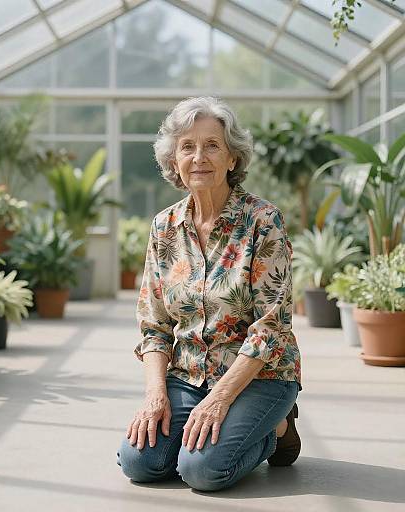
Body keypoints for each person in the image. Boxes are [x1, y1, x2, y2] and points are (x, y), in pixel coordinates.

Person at [116, 96, 302, 492]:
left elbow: (270, 328)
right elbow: (154, 324)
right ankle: (244, 427)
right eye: (188, 147)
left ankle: (277, 429)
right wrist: (155, 395)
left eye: (212, 145)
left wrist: (218, 399)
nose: (199, 157)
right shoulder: (163, 227)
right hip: (188, 374)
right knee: (140, 462)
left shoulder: (262, 221)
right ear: (174, 162)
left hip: (257, 375)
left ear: (232, 158)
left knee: (203, 471)